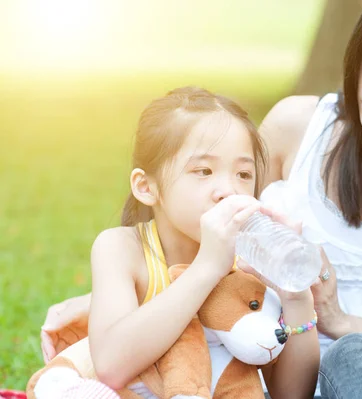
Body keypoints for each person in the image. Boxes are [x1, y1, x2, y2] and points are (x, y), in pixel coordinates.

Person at [41, 0, 362, 397]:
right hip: (295, 378)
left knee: (353, 357)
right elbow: (197, 221)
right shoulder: (297, 127)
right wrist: (110, 300)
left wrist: (339, 321)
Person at [40, 87, 320, 399]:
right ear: (147, 187)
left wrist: (296, 298)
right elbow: (111, 365)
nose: (228, 189)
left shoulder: (248, 261)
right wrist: (208, 267)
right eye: (204, 171)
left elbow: (292, 394)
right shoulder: (123, 249)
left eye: (243, 174)